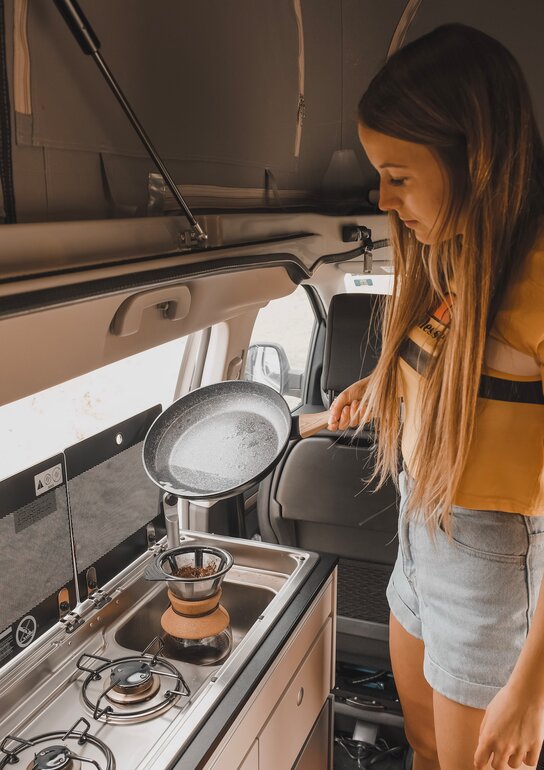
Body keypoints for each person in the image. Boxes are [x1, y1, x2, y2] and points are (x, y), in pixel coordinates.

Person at [327, 23, 544, 770]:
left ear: (473, 159)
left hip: (492, 565)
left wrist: (533, 689)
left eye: (399, 173)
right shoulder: (457, 259)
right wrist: (381, 384)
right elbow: (466, 378)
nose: (381, 196)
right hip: (421, 540)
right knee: (422, 744)